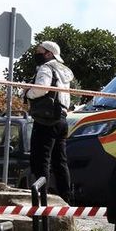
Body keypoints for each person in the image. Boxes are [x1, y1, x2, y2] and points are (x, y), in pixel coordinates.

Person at [25, 41, 74, 202]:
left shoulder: (46, 68)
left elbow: (41, 88)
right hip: (61, 120)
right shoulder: (63, 70)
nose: (36, 54)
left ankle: (40, 201)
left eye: (39, 51)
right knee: (60, 162)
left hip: (46, 121)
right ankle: (66, 200)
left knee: (41, 161)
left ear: (48, 54)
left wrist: (27, 93)